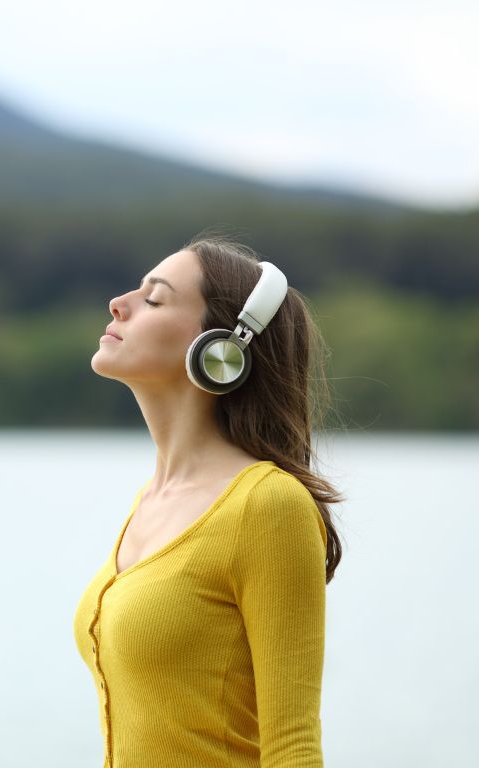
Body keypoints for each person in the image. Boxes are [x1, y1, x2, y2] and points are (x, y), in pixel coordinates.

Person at [73, 233, 344, 768]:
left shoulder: (268, 506)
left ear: (221, 349)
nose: (119, 304)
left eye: (153, 299)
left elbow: (293, 745)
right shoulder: (148, 501)